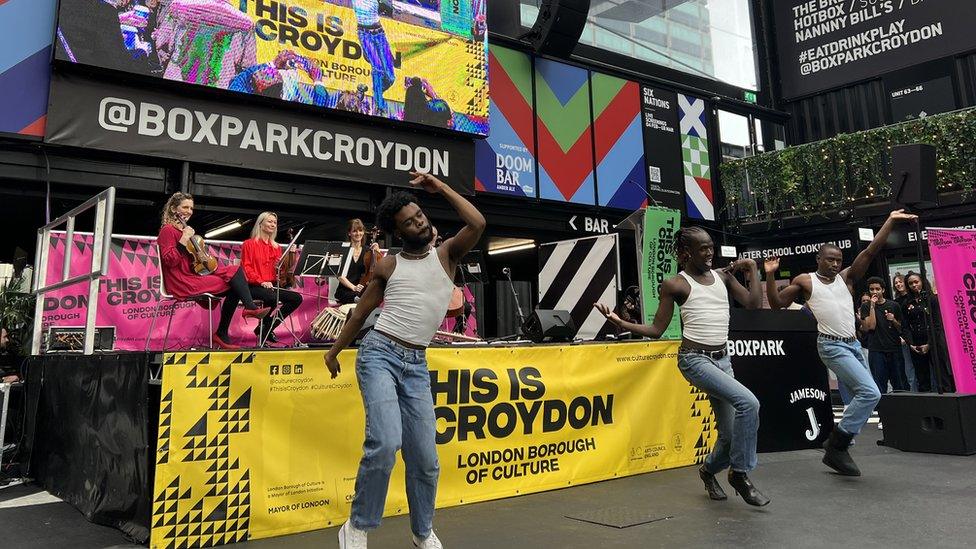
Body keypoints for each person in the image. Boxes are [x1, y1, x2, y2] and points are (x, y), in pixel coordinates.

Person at [325, 172, 485, 549]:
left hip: (415, 363)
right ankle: (357, 526)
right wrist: (333, 352)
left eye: (420, 215)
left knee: (426, 459)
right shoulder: (389, 266)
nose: (420, 222)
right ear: (399, 232)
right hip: (379, 354)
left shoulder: (448, 255)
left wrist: (442, 188)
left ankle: (422, 531)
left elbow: (477, 222)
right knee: (384, 443)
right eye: (411, 221)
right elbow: (360, 315)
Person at [595, 227, 769, 507]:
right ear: (685, 253)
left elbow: (752, 304)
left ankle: (708, 471)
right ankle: (740, 473)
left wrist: (751, 268)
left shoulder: (723, 277)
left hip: (723, 360)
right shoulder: (676, 284)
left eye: (711, 247)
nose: (710, 252)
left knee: (728, 435)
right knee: (749, 403)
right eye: (703, 248)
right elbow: (656, 329)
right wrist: (620, 322)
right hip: (694, 360)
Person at [764, 209, 916, 476]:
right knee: (871, 392)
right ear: (818, 259)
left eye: (838, 260)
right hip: (832, 345)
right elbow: (777, 305)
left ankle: (838, 442)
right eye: (830, 260)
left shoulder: (846, 278)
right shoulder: (806, 281)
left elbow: (871, 251)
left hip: (854, 345)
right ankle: (837, 444)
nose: (835, 264)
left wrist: (889, 220)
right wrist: (770, 275)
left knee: (863, 394)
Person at [156, 193, 270, 349]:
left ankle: (232, 324)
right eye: (185, 207)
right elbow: (170, 260)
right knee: (233, 284)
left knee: (234, 271)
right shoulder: (168, 231)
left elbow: (189, 260)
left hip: (192, 275)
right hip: (180, 281)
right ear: (174, 209)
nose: (189, 211)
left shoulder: (182, 229)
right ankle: (236, 320)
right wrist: (184, 238)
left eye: (191, 208)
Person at [240, 212, 303, 345]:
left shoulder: (276, 247)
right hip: (253, 286)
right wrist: (261, 281)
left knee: (296, 298)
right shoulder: (249, 244)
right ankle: (265, 331)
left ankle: (266, 328)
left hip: (271, 285)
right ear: (261, 224)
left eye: (274, 222)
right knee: (272, 297)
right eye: (269, 221)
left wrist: (291, 254)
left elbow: (281, 270)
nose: (273, 224)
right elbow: (246, 268)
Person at [903, 272, 955, 392]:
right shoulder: (906, 303)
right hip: (917, 343)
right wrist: (911, 343)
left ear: (922, 282)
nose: (914, 285)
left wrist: (929, 344)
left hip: (934, 341)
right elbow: (905, 326)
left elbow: (937, 324)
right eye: (910, 283)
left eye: (916, 282)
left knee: (941, 374)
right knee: (922, 377)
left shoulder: (932, 299)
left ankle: (948, 398)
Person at [862, 277, 908, 393]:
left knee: (899, 383)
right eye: (871, 289)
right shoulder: (866, 306)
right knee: (880, 383)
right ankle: (883, 408)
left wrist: (893, 320)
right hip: (876, 349)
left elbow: (901, 328)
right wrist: (872, 305)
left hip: (894, 348)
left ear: (883, 290)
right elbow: (871, 326)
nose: (874, 292)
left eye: (877, 289)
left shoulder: (894, 305)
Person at [334, 219, 383, 306]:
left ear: (363, 232)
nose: (358, 233)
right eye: (354, 231)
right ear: (349, 233)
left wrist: (377, 251)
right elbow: (339, 275)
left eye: (360, 230)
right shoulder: (343, 250)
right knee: (360, 298)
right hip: (346, 290)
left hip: (362, 289)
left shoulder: (368, 250)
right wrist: (353, 287)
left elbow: (378, 269)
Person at [891, 273, 917, 391]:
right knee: (909, 369)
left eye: (900, 282)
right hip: (904, 339)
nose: (898, 284)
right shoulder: (895, 302)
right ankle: (914, 394)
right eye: (896, 283)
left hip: (917, 336)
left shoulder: (913, 299)